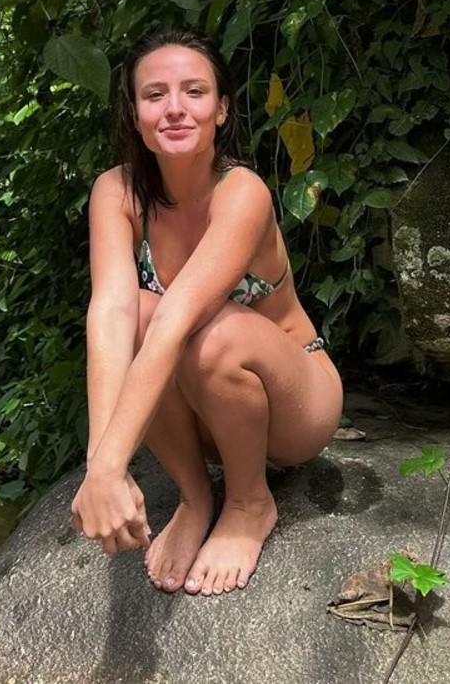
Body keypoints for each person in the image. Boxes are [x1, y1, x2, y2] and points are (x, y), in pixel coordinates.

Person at [71, 29, 344, 596]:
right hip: (206, 414)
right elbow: (111, 315)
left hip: (293, 402)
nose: (174, 108)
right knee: (138, 312)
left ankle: (249, 503)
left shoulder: (241, 191)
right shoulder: (116, 192)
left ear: (221, 109)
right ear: (134, 114)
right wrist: (100, 465)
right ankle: (196, 498)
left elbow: (177, 323)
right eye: (155, 95)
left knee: (206, 330)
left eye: (194, 92)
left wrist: (111, 465)